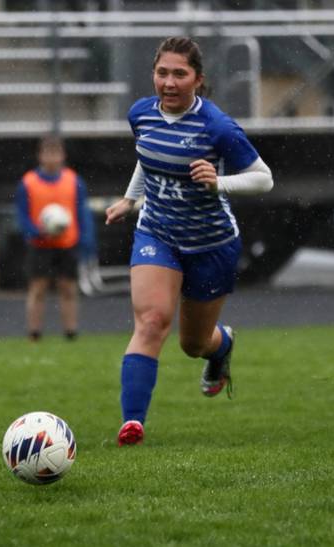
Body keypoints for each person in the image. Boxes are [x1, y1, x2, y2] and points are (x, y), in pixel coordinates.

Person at [105, 37, 274, 446]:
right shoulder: (140, 114)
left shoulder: (217, 126)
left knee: (193, 343)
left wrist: (219, 183)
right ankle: (133, 423)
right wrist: (131, 199)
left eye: (180, 73)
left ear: (197, 79)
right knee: (151, 322)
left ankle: (222, 346)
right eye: (162, 72)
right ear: (153, 75)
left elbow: (264, 178)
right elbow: (148, 158)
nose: (169, 82)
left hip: (211, 246)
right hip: (157, 233)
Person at [16, 135, 95, 342]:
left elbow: (81, 212)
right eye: (47, 153)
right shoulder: (28, 183)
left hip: (67, 243)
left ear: (63, 155)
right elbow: (22, 215)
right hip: (39, 244)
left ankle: (70, 332)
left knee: (68, 288)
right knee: (38, 288)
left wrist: (85, 239)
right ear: (40, 156)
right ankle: (34, 333)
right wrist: (36, 232)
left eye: (55, 153)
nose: (52, 157)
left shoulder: (74, 181)